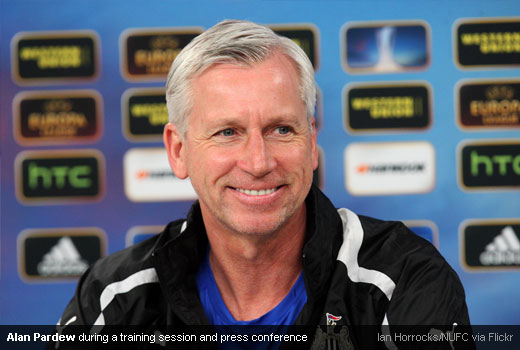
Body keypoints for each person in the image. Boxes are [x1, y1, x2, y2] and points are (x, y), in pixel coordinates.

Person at [53, 20, 473, 349]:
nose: (258, 162)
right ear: (178, 151)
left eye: (281, 129)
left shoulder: (404, 280)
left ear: (311, 142)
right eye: (227, 133)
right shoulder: (113, 297)